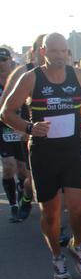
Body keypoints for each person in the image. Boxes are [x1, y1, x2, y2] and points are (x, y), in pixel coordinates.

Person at [1, 33, 81, 279]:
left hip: (72, 151)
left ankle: (78, 245)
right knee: (51, 213)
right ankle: (57, 256)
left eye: (64, 51)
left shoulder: (79, 75)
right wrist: (29, 128)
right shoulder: (30, 78)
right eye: (54, 51)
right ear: (43, 52)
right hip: (43, 153)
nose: (60, 56)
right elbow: (6, 112)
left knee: (80, 210)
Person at [0, 47, 31, 223]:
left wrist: (27, 127)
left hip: (20, 128)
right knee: (8, 166)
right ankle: (13, 205)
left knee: (22, 169)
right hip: (3, 129)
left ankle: (22, 190)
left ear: (10, 61)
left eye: (4, 60)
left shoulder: (20, 80)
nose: (1, 64)